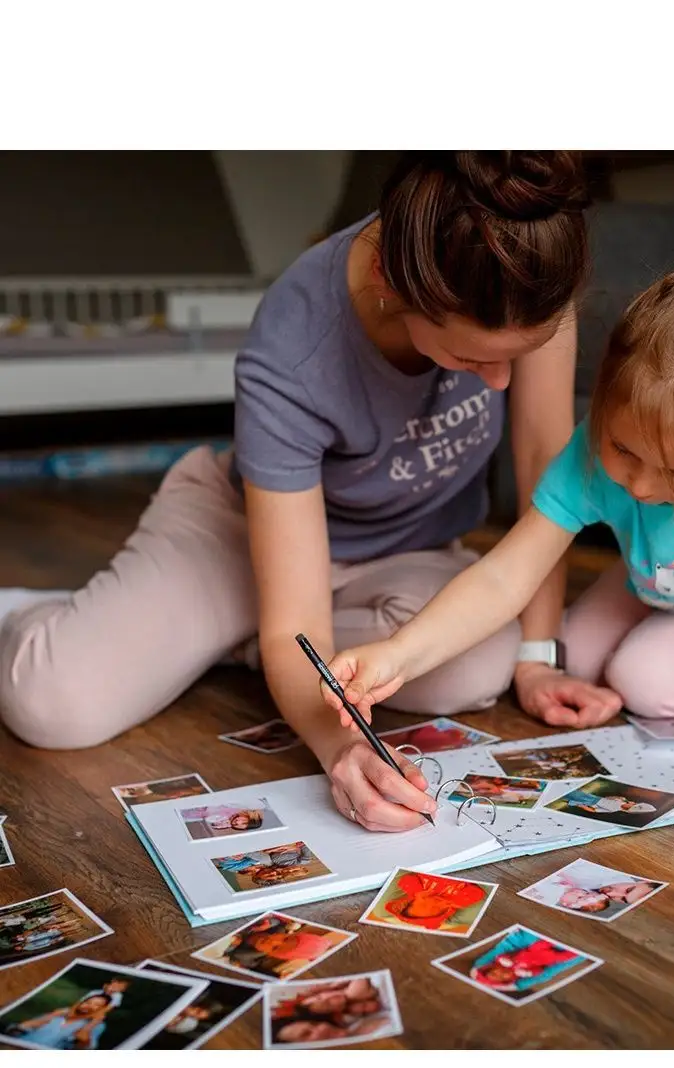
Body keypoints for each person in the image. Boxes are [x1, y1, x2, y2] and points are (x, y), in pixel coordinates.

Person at [0, 151, 613, 832]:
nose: (497, 384)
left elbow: (543, 471)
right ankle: (37, 617)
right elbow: (297, 620)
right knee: (56, 703)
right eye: (472, 359)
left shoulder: (525, 271)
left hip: (405, 547)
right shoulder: (292, 345)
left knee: (478, 666)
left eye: (514, 357)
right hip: (241, 534)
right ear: (390, 281)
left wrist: (539, 655)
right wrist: (343, 747)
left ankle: (232, 643)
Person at [323, 187, 674, 803]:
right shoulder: (590, 444)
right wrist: (399, 654)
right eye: (624, 452)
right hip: (649, 581)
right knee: (568, 660)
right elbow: (504, 577)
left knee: (645, 680)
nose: (640, 485)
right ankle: (654, 633)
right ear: (601, 398)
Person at [7, 993, 112, 1049]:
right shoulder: (59, 1015)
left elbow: (82, 1047)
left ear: (102, 1010)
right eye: (88, 1002)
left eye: (97, 1005)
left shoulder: (97, 1025)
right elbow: (20, 1028)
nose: (89, 1006)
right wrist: (53, 1015)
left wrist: (93, 1022)